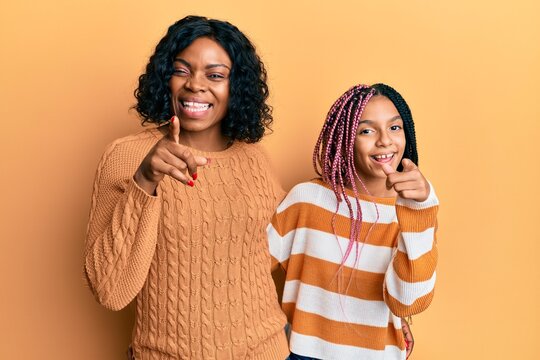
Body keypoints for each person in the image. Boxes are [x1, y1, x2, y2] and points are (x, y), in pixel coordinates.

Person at [84, 16, 289, 360]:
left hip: (266, 350)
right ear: (166, 78)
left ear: (235, 86)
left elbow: (284, 253)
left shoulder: (255, 159)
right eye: (182, 70)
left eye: (215, 75)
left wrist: (378, 311)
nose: (195, 85)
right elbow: (111, 291)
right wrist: (145, 180)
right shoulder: (127, 157)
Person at [268, 84, 438, 359]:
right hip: (302, 353)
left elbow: (409, 302)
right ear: (346, 139)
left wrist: (421, 209)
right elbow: (247, 273)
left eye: (395, 128)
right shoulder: (308, 200)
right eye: (367, 130)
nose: (385, 140)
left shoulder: (412, 212)